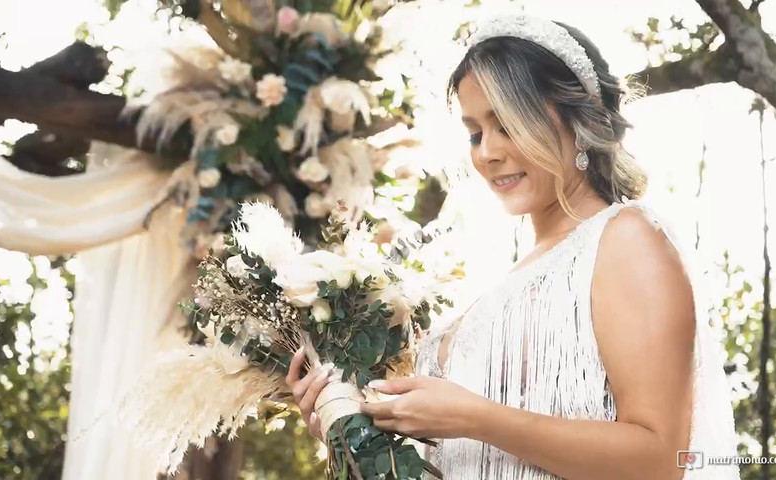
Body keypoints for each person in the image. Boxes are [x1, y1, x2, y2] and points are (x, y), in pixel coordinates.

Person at [287, 13, 739, 479]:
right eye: (475, 132)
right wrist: (349, 424)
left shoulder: (625, 239)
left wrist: (475, 418)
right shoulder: (500, 283)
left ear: (576, 120)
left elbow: (659, 460)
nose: (487, 152)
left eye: (507, 123)